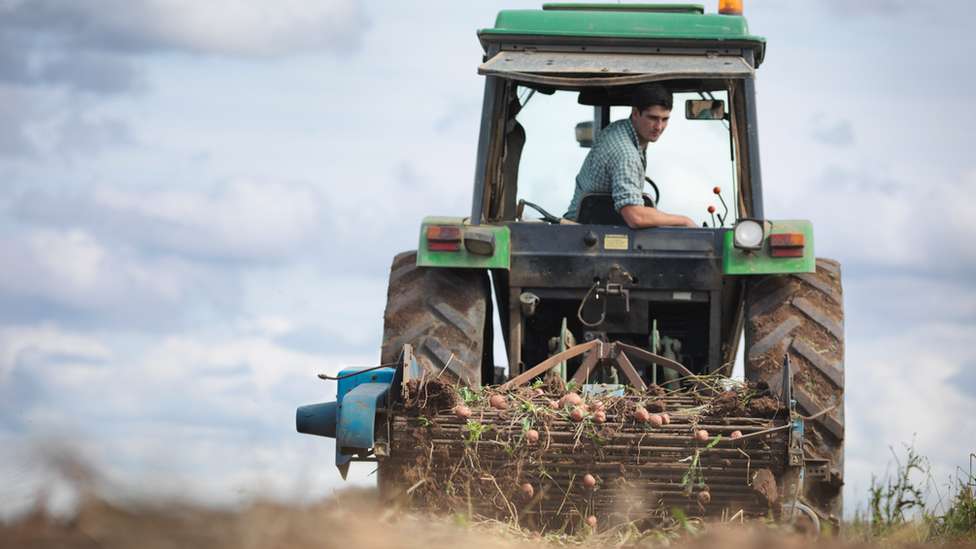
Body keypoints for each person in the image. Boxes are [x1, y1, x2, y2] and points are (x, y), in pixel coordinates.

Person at [564, 83, 697, 228]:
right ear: (635, 113)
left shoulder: (619, 129)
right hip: (582, 236)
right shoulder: (626, 154)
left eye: (665, 119)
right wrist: (685, 221)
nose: (659, 126)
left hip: (592, 231)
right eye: (653, 118)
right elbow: (635, 217)